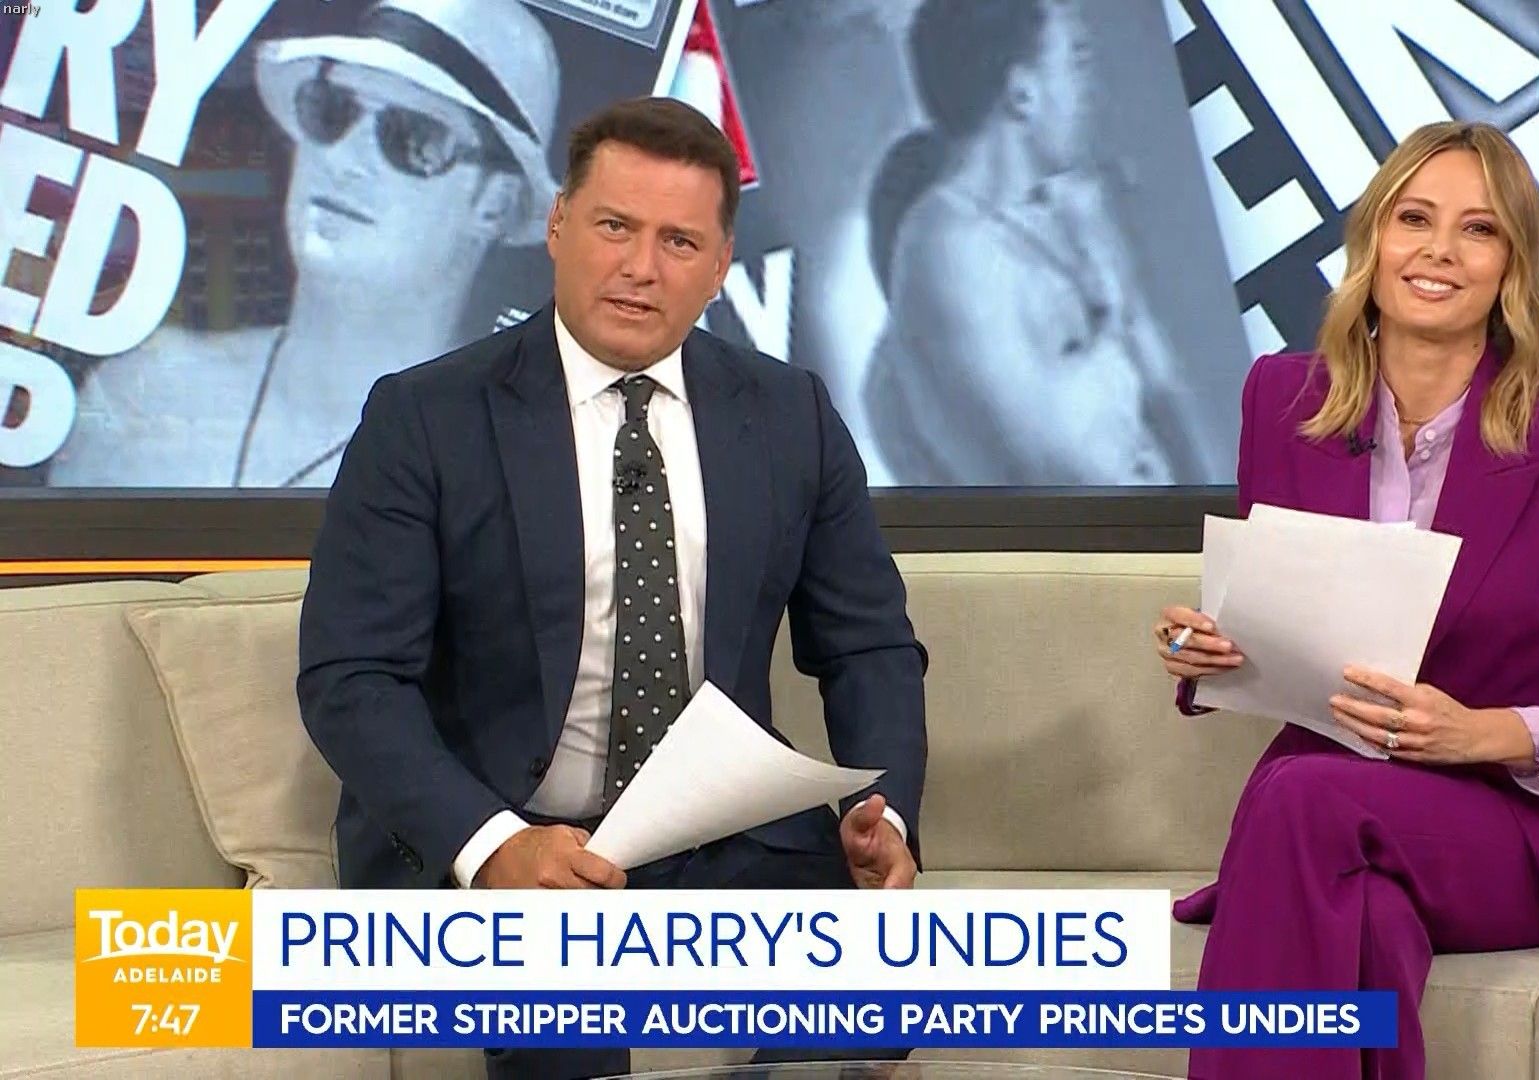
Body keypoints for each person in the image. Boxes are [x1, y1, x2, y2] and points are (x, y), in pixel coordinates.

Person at [297, 96, 926, 1080]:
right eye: (614, 226)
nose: (640, 267)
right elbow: (351, 678)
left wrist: (886, 819)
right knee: (566, 1028)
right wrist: (494, 847)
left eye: (679, 241)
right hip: (509, 833)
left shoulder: (787, 414)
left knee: (873, 1003)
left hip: (723, 836)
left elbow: (868, 647)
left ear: (721, 266)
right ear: (557, 226)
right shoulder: (426, 416)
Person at [1152, 121, 1539, 1079]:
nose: (1439, 250)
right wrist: (1212, 650)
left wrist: (1480, 734)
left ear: (1512, 267)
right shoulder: (1283, 401)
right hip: (1341, 824)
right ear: (1374, 240)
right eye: (1414, 219)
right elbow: (1280, 615)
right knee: (1361, 915)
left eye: (1478, 230)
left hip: (1515, 831)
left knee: (1302, 797)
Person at [49, 0, 558, 488]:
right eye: (331, 111)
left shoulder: (485, 484)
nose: (343, 158)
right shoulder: (142, 395)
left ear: (494, 203)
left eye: (414, 138)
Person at [859, 0, 1219, 486]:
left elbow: (1160, 388)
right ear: (1022, 93)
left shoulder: (1052, 221)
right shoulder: (946, 249)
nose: (1089, 90)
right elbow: (1048, 467)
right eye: (1074, 60)